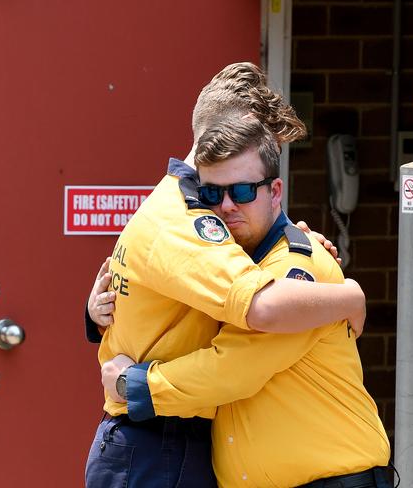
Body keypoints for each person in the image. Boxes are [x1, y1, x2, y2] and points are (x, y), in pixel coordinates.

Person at [84, 62, 368, 488]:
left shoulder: (181, 209)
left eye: (242, 191)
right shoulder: (187, 220)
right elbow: (262, 308)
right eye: (218, 192)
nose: (227, 205)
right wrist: (351, 297)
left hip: (164, 437)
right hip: (157, 440)